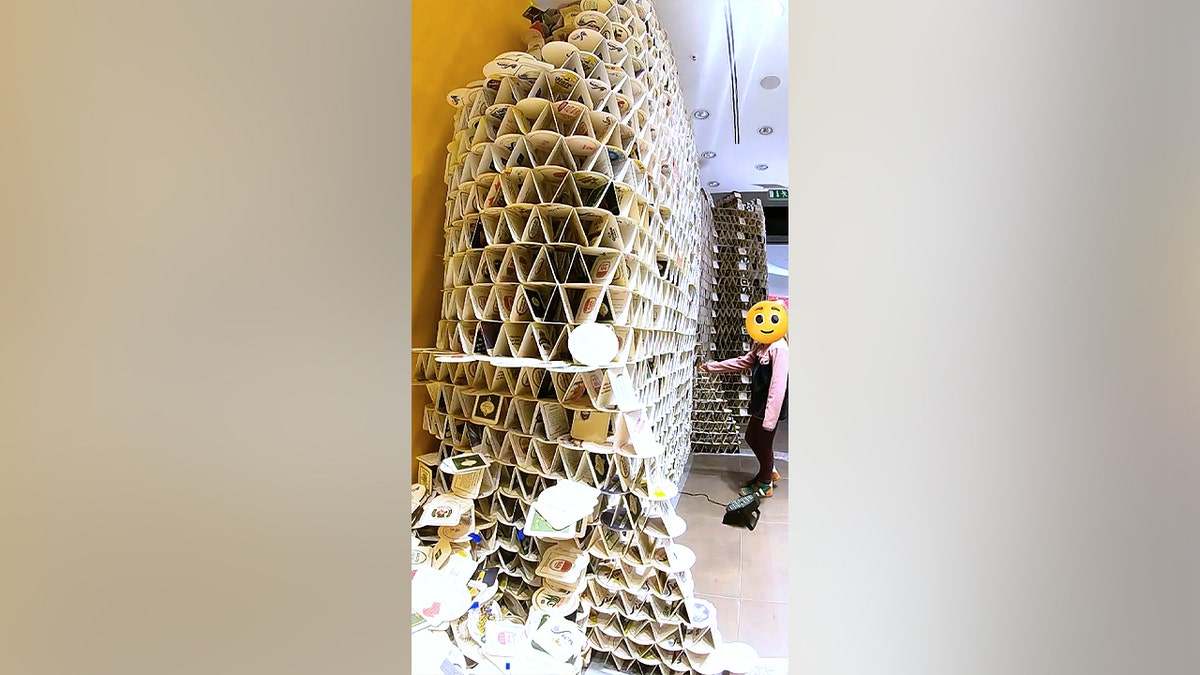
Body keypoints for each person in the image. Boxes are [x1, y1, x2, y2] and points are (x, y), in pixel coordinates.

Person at [699, 300, 789, 498]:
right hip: (760, 404)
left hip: (770, 406)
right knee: (751, 437)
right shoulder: (762, 345)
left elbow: (778, 385)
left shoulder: (779, 348)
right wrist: (711, 367)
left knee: (764, 442)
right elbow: (741, 362)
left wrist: (770, 419)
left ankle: (765, 483)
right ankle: (769, 470)